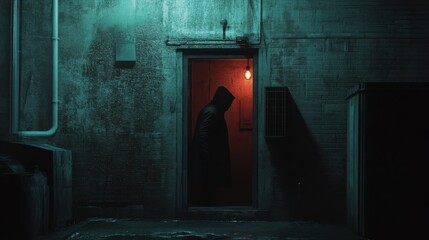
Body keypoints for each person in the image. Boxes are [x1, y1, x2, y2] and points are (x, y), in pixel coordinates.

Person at [189, 86, 235, 205]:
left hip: (209, 162)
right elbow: (202, 134)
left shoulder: (213, 111)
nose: (228, 106)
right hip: (208, 163)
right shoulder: (211, 111)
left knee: (208, 193)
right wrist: (207, 158)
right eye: (228, 102)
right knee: (206, 193)